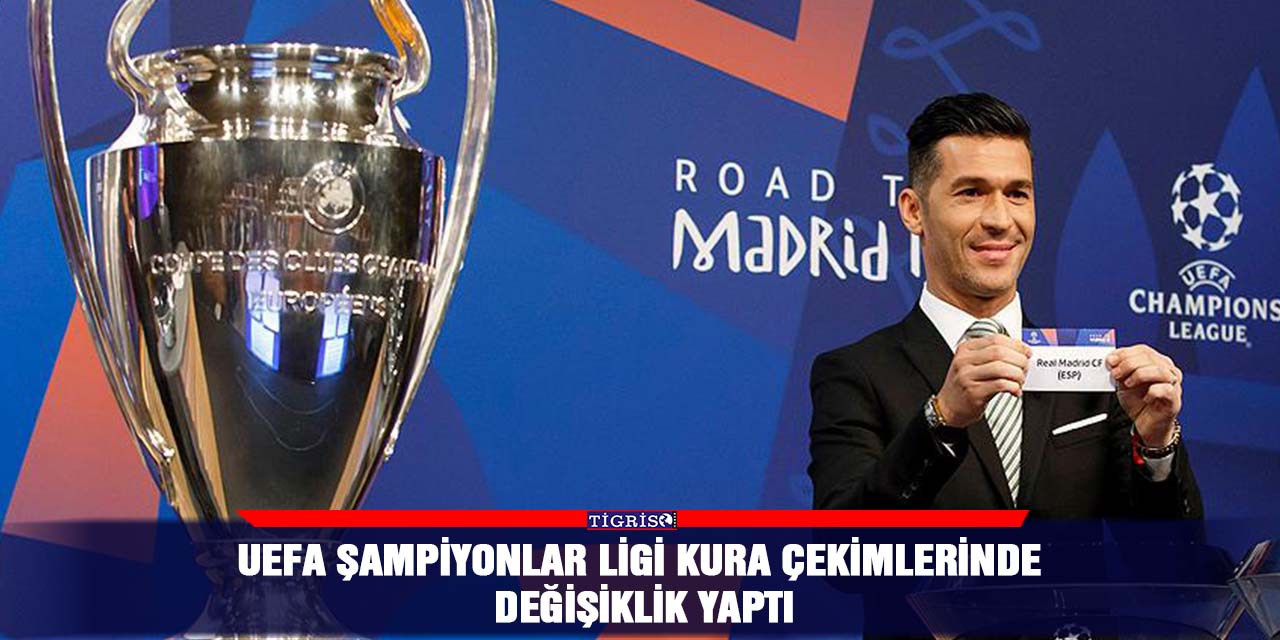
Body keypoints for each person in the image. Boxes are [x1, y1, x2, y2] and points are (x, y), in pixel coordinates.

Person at [808, 93, 1200, 518]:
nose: (999, 219)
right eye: (971, 192)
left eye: (1017, 194)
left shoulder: (1096, 375)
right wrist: (942, 418)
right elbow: (844, 544)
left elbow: (1171, 549)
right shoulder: (857, 374)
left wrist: (1156, 445)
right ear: (914, 211)